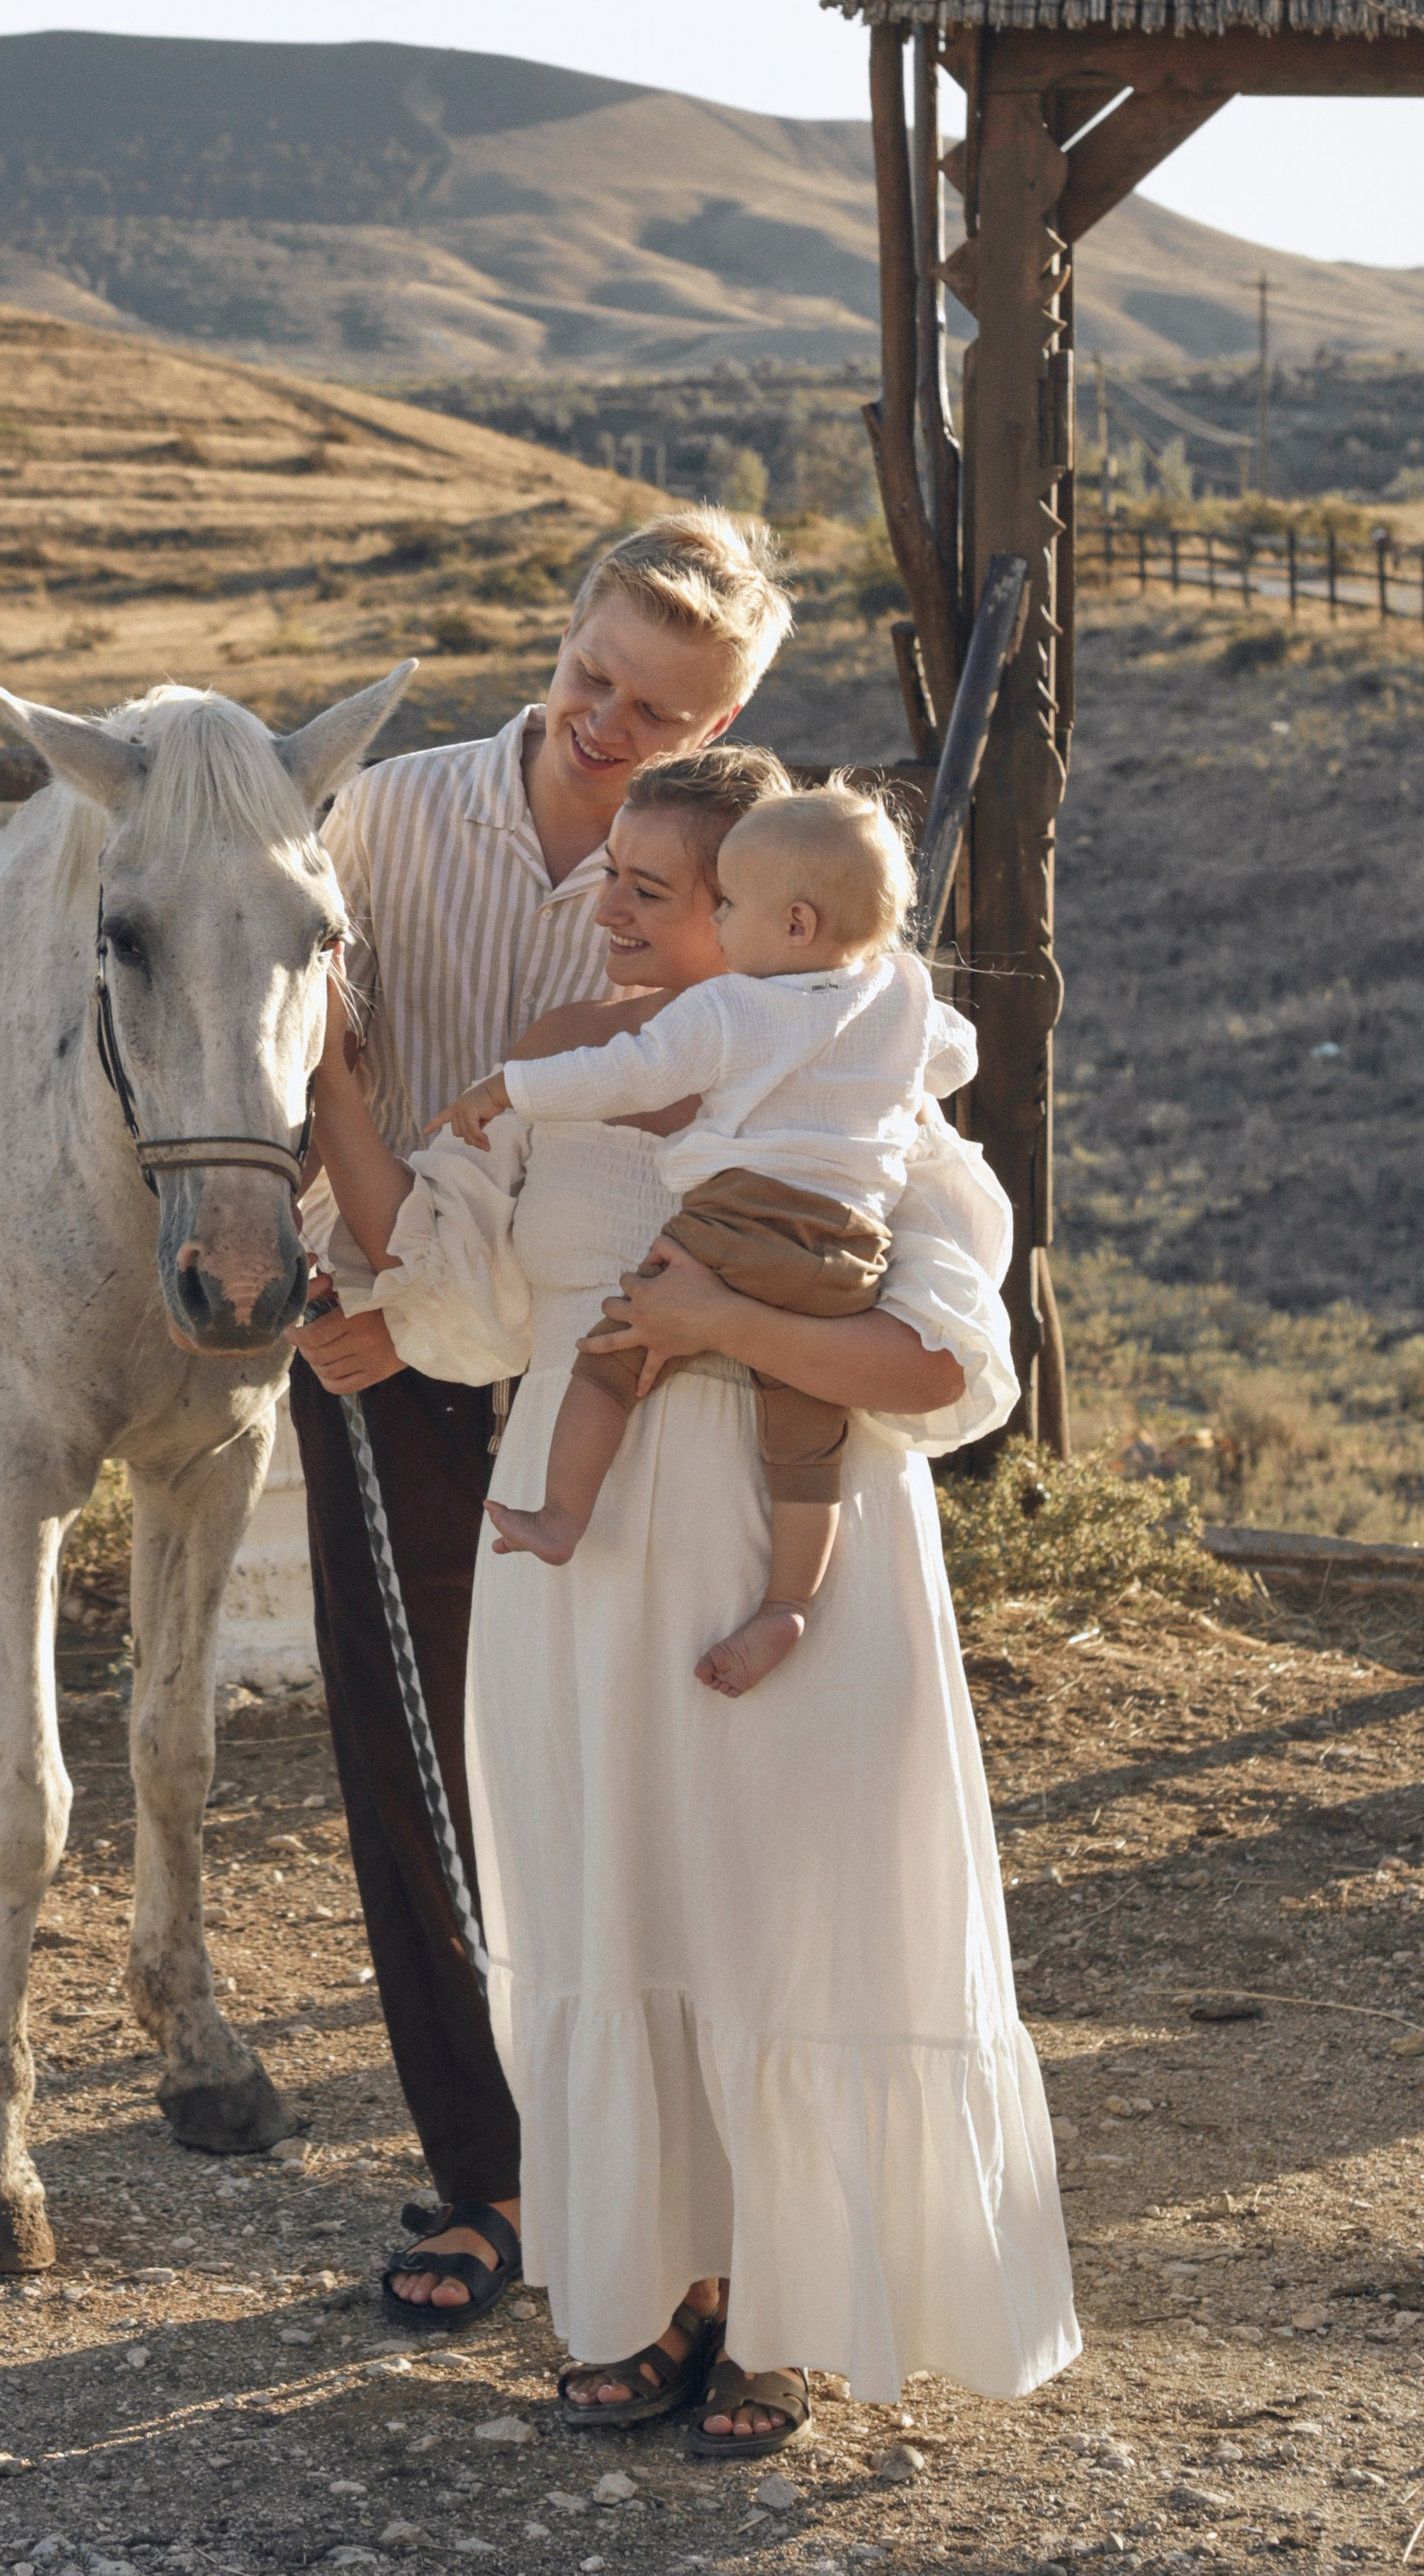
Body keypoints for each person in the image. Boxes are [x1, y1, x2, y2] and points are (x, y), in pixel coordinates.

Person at [309, 747, 1078, 2455]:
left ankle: (780, 2310)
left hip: (794, 1553)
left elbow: (950, 1367)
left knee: (779, 1921)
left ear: (767, 923)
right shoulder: (569, 1079)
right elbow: (454, 1315)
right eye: (620, 883)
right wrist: (342, 1099)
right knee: (612, 1919)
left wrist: (728, 1330)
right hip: (579, 1573)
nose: (614, 914)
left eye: (658, 892)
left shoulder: (878, 1120)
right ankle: (650, 2286)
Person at [291, 511, 791, 2326]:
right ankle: (485, 2176)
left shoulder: (753, 857)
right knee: (419, 1768)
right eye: (596, 679)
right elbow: (287, 1052)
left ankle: (680, 2188)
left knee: (637, 1782)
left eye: (664, 714)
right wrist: (329, 1293)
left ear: (726, 718)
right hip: (389, 1331)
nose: (611, 728)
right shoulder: (384, 814)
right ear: (560, 641)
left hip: (654, 1366)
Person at [447, 783, 978, 1697]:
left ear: (794, 922)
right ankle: (788, 1602)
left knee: (616, 1352)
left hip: (737, 1225)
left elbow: (623, 1073)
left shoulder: (725, 1013)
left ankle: (562, 1513)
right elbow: (953, 1053)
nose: (609, 906)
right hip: (840, 1248)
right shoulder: (900, 991)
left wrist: (510, 1089)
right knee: (806, 1442)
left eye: (708, 900)